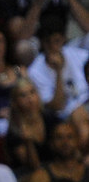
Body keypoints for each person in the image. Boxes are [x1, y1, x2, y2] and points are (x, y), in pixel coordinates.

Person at [27, 13, 89, 151]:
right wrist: (59, 72)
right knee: (83, 128)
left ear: (63, 39)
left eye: (57, 41)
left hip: (86, 103)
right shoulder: (35, 71)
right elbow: (57, 105)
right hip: (65, 114)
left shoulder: (77, 54)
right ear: (42, 43)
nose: (53, 46)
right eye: (48, 42)